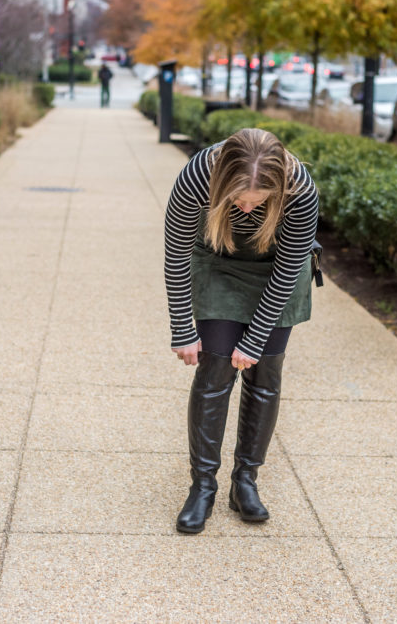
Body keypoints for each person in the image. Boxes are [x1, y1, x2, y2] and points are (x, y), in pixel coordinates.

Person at [164, 127, 319, 534]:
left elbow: (287, 271)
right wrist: (182, 326)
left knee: (265, 372)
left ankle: (245, 482)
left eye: (260, 202)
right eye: (237, 200)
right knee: (216, 368)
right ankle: (202, 487)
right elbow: (176, 252)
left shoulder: (300, 189)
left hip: (277, 272)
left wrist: (254, 339)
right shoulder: (197, 175)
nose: (248, 209)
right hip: (219, 262)